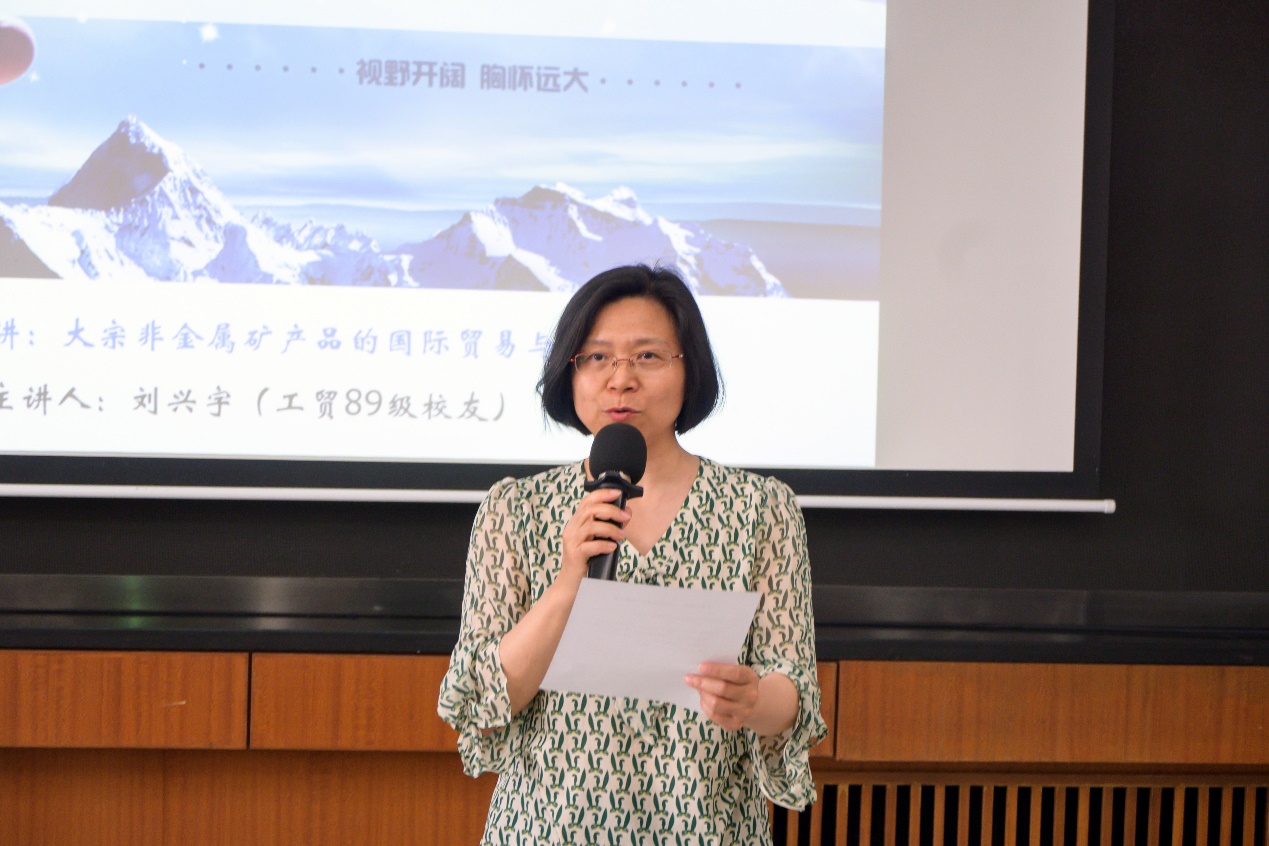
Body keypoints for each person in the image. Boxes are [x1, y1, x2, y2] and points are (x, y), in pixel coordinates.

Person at [438, 264, 825, 844]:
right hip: (547, 828)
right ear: (569, 372)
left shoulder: (761, 509)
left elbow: (794, 694)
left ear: (689, 370)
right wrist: (568, 584)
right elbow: (481, 699)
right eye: (597, 357)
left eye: (648, 356)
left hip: (704, 826)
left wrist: (752, 699)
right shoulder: (515, 509)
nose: (621, 380)